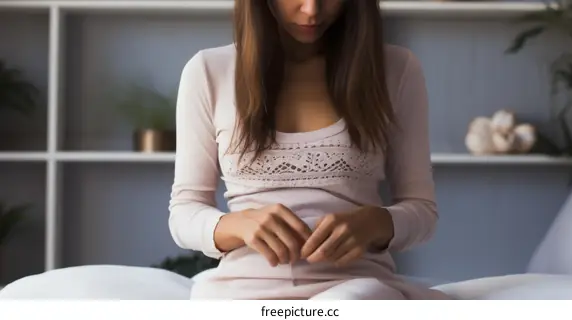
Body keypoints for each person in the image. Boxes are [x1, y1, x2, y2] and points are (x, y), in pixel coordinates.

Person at [168, 0, 449, 300]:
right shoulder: (208, 72)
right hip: (240, 291)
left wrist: (374, 223)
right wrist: (236, 224)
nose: (312, 10)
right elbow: (184, 212)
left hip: (356, 291)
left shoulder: (397, 69)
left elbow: (422, 211)